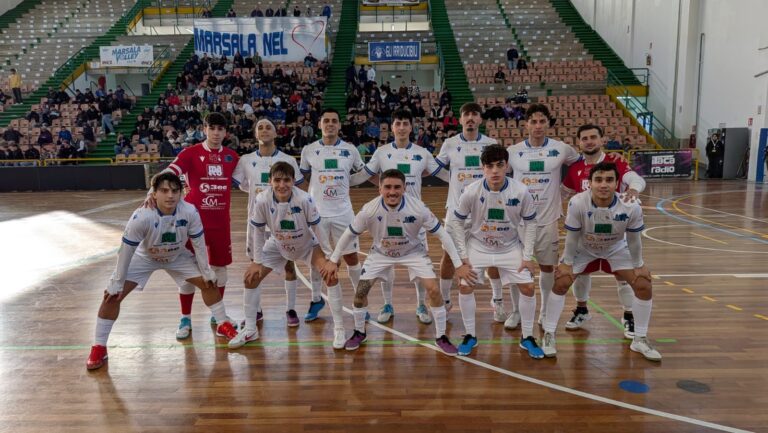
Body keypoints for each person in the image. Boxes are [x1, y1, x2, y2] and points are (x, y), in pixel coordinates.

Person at [85, 173, 239, 370]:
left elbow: (199, 244)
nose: (170, 196)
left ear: (181, 193)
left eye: (175, 191)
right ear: (154, 193)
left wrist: (207, 270)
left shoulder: (189, 211)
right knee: (112, 296)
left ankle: (223, 323)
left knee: (209, 282)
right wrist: (117, 281)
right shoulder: (142, 216)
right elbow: (126, 251)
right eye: (164, 191)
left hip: (177, 256)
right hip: (145, 258)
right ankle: (99, 346)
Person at [322, 169, 474, 355]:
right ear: (379, 189)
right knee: (360, 293)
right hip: (381, 253)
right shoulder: (369, 209)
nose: (392, 192)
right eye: (387, 187)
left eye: (397, 187)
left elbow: (443, 234)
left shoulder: (418, 208)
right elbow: (348, 234)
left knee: (434, 290)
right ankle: (360, 332)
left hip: (413, 252)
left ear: (404, 188)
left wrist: (458, 265)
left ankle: (441, 336)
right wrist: (333, 259)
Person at [551, 162, 661, 361]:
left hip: (616, 247)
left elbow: (634, 239)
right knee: (560, 281)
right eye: (598, 180)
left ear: (617, 183)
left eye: (609, 180)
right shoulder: (578, 202)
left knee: (643, 284)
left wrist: (639, 265)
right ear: (590, 183)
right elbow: (572, 237)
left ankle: (640, 339)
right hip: (584, 247)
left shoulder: (631, 205)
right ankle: (549, 335)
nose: (603, 184)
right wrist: (566, 263)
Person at [229, 162, 340, 348]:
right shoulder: (262, 200)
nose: (282, 185)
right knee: (250, 278)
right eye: (277, 180)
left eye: (287, 180)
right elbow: (257, 231)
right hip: (278, 244)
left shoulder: (304, 199)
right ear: (270, 181)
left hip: (306, 244)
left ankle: (340, 329)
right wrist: (256, 261)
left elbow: (318, 228)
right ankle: (250, 330)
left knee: (331, 275)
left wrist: (330, 257)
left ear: (293, 181)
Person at [448, 145, 541, 358]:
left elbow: (531, 223)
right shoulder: (471, 191)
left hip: (510, 247)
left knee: (528, 287)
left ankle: (527, 337)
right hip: (478, 246)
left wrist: (527, 256)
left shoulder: (521, 191)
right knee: (465, 286)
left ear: (507, 166)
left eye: (500, 165)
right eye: (489, 166)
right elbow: (456, 222)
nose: (495, 171)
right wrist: (463, 257)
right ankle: (470, 335)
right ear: (483, 168)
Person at [356, 109, 443, 324]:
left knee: (419, 264)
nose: (402, 127)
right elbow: (366, 174)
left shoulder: (422, 153)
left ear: (411, 127)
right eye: (398, 123)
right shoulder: (382, 152)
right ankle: (387, 303)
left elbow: (435, 173)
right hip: (387, 216)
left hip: (415, 218)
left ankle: (421, 304)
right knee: (386, 263)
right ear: (392, 127)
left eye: (405, 123)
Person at [161, 113, 240, 339]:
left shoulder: (232, 157)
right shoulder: (190, 153)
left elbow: (248, 182)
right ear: (204, 129)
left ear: (226, 132)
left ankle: (218, 315)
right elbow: (171, 172)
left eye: (220, 129)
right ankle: (185, 318)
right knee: (188, 271)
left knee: (220, 269)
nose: (216, 133)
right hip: (191, 224)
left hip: (220, 224)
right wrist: (153, 191)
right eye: (211, 128)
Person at [561, 124, 646, 337]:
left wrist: (634, 189)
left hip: (614, 234)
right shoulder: (575, 168)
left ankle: (629, 316)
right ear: (579, 143)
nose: (589, 141)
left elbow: (636, 179)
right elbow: (564, 193)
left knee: (622, 276)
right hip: (586, 236)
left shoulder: (615, 162)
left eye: (593, 137)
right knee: (582, 273)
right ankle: (581, 310)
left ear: (601, 140)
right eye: (584, 138)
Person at [506, 104, 581, 329]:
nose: (538, 126)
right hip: (519, 221)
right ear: (526, 124)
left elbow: (583, 165)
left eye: (542, 121)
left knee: (548, 268)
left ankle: (545, 311)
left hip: (548, 220)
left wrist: (568, 189)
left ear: (548, 124)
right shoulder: (513, 151)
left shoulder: (562, 149)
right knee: (517, 268)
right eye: (533, 121)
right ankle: (516, 311)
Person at [299, 108, 367, 339]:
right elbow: (304, 178)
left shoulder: (350, 150)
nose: (330, 124)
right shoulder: (309, 150)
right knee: (316, 259)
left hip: (343, 214)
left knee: (351, 258)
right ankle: (316, 299)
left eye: (334, 121)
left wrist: (347, 181)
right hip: (316, 214)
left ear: (339, 125)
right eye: (326, 121)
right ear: (320, 124)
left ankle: (360, 299)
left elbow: (361, 174)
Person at [232, 119, 304, 327]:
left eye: (268, 127)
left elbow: (298, 188)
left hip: (283, 221)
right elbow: (241, 185)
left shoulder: (288, 159)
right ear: (255, 134)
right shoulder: (245, 160)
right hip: (256, 223)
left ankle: (290, 309)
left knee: (289, 265)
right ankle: (257, 310)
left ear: (275, 133)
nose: (264, 130)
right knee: (255, 266)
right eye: (260, 128)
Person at [434, 102, 501, 318]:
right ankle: (445, 299)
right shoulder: (450, 143)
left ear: (480, 119)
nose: (470, 118)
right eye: (466, 115)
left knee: (492, 253)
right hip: (456, 211)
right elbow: (435, 168)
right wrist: (452, 178)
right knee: (448, 254)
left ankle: (497, 299)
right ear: (461, 119)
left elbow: (500, 173)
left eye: (474, 114)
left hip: (485, 210)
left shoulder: (491, 144)